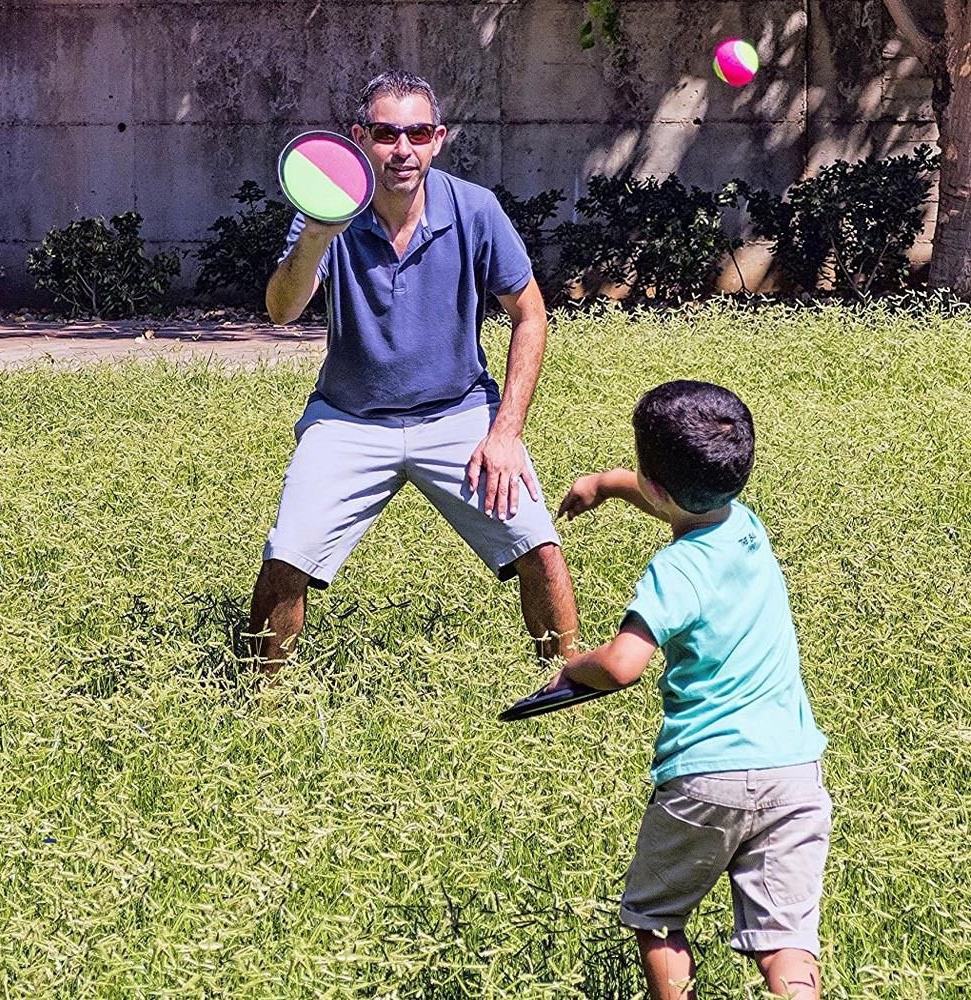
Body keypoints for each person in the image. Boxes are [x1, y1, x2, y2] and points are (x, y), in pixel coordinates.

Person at [250, 70, 578, 676]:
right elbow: (281, 309)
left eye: (418, 133)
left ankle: (566, 687)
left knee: (540, 546)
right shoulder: (325, 207)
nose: (403, 149)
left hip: (457, 415)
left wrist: (504, 433)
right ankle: (259, 705)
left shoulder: (475, 209)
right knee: (287, 554)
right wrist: (319, 235)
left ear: (438, 139)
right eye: (385, 133)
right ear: (359, 138)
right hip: (348, 420)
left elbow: (531, 317)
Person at [552, 380, 831, 1000]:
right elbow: (674, 501)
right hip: (794, 773)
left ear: (656, 486)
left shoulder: (674, 570)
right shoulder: (747, 527)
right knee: (786, 938)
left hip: (706, 779)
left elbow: (623, 664)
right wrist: (606, 483)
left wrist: (574, 666)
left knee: (657, 918)